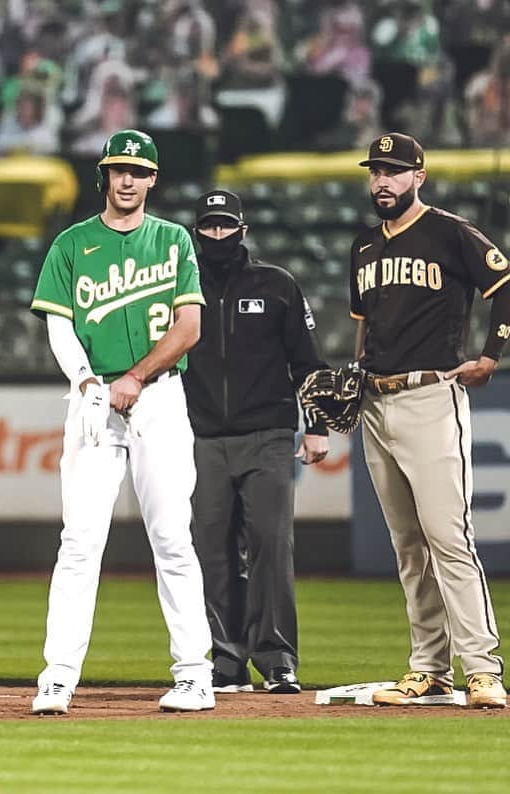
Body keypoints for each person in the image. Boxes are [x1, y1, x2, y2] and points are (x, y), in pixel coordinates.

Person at [29, 129, 213, 715]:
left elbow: (189, 328)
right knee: (79, 542)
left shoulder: (173, 239)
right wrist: (86, 381)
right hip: (92, 401)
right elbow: (59, 324)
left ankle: (194, 675)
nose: (127, 179)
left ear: (153, 179)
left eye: (138, 170)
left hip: (160, 396)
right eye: (118, 170)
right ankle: (57, 677)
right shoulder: (72, 244)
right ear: (105, 176)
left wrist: (134, 377)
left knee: (172, 538)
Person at [350, 132, 510, 709]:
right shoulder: (364, 248)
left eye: (394, 172)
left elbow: (509, 287)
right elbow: (364, 325)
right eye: (376, 171)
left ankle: (482, 668)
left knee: (449, 537)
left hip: (432, 395)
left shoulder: (450, 233)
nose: (383, 181)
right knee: (407, 545)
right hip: (377, 402)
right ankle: (429, 665)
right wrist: (354, 374)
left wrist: (492, 355)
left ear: (418, 177)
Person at [183, 189, 329, 694]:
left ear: (243, 230)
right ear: (196, 233)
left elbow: (307, 362)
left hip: (268, 435)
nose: (218, 235)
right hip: (201, 437)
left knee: (271, 542)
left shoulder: (277, 285)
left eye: (226, 227)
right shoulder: (180, 289)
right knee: (213, 550)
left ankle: (276, 658)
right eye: (209, 228)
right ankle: (226, 659)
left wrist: (318, 425)